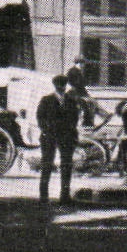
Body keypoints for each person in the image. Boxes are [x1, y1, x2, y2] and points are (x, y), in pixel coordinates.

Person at [37, 73, 82, 204]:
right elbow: (40, 117)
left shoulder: (71, 100)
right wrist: (46, 131)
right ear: (54, 85)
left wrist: (72, 132)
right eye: (58, 85)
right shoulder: (46, 100)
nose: (61, 87)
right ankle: (43, 196)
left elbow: (75, 118)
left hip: (66, 136)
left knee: (66, 165)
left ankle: (65, 196)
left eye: (63, 85)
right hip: (49, 136)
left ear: (65, 85)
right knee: (47, 165)